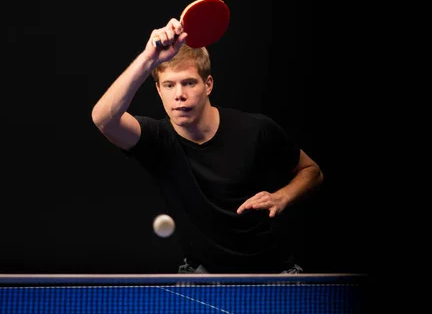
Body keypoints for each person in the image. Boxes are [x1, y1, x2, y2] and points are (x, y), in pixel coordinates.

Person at [91, 17, 323, 274]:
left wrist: (282, 197)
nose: (179, 94)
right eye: (169, 85)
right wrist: (149, 58)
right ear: (158, 90)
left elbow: (312, 171)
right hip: (203, 277)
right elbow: (104, 119)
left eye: (189, 82)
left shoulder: (257, 129)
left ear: (208, 84)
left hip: (273, 274)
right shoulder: (157, 139)